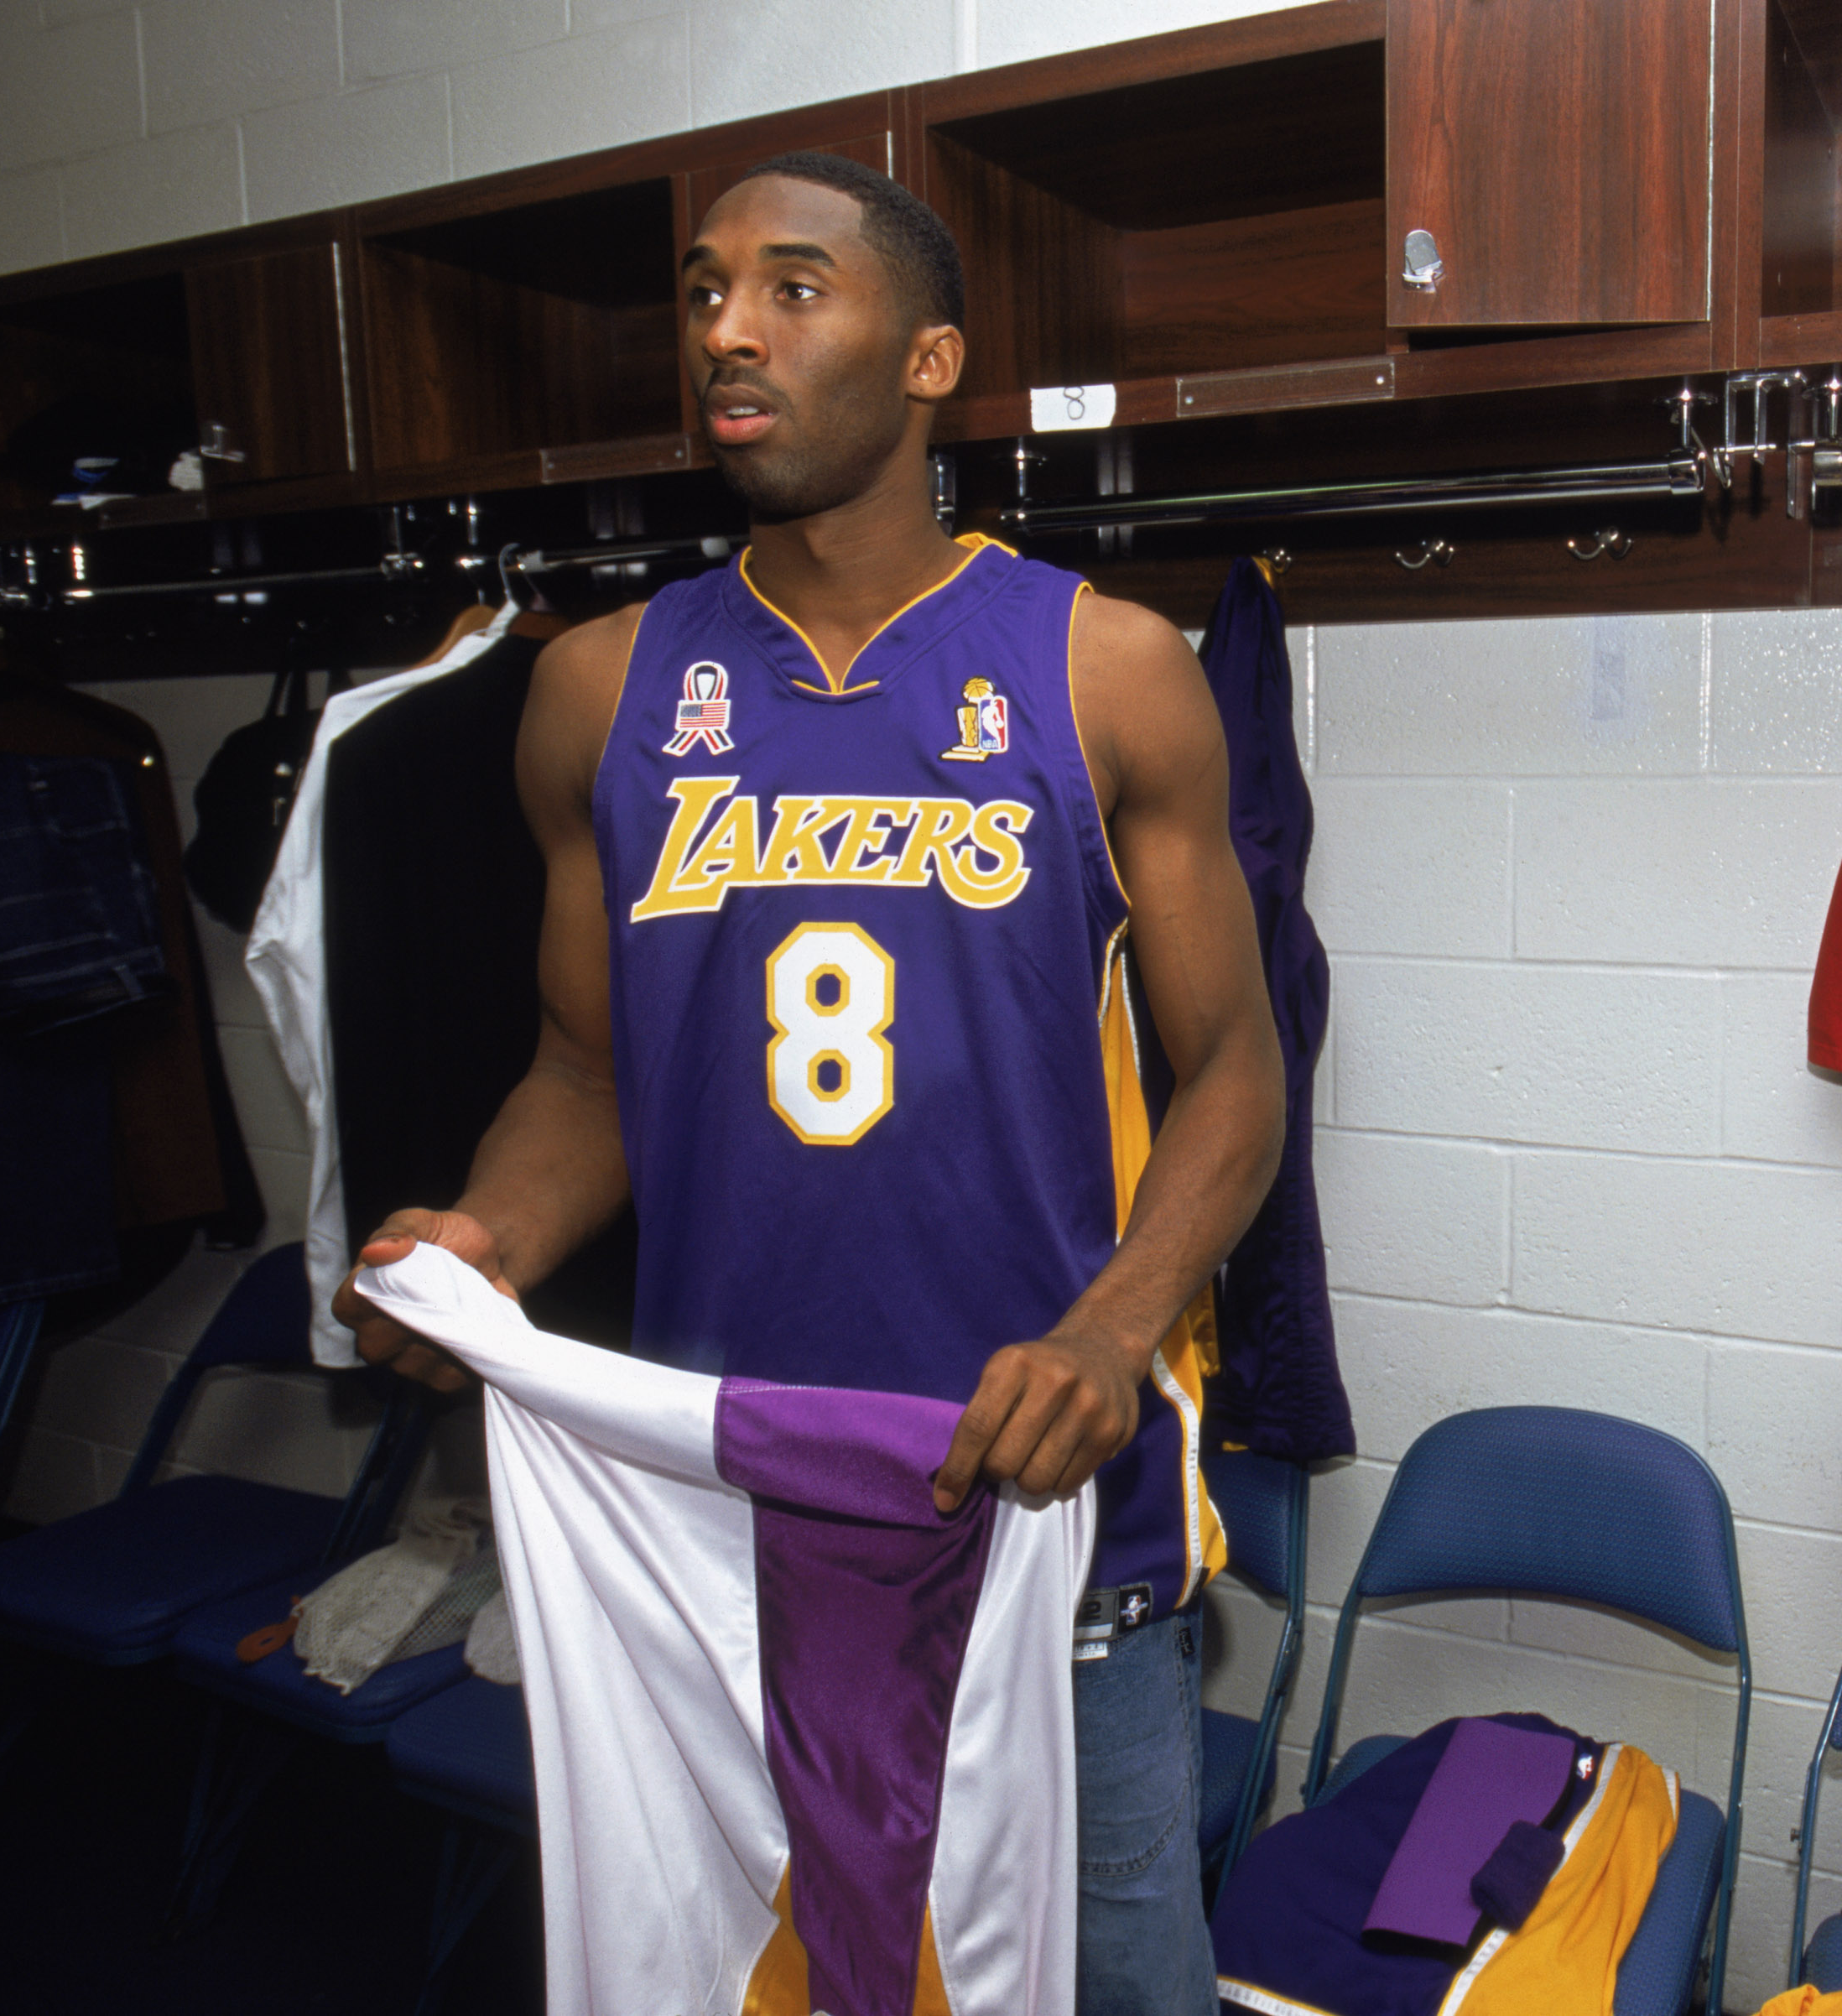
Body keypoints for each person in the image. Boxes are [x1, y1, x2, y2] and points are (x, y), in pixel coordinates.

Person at [333, 150, 1283, 2012]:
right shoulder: (598, 689)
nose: (727, 333)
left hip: (1042, 1529)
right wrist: (486, 1238)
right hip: (733, 1534)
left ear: (930, 359)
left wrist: (1109, 1330)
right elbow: (585, 1068)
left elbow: (1237, 1074)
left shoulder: (1107, 670)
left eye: (789, 286)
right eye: (699, 293)